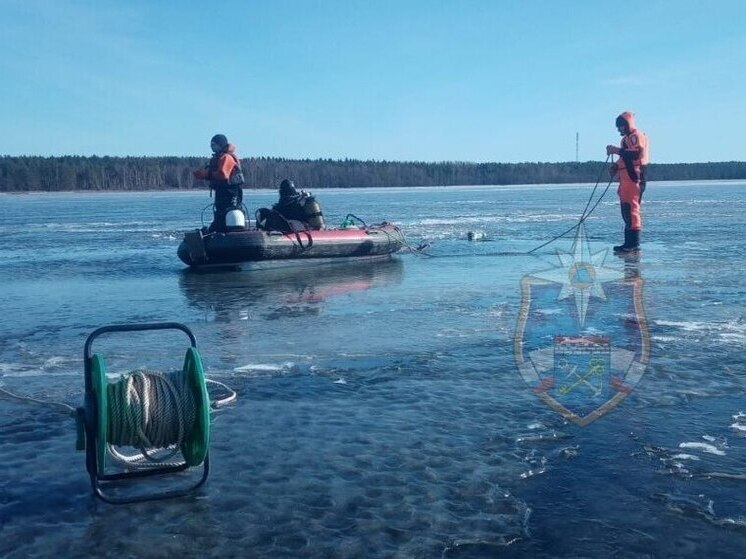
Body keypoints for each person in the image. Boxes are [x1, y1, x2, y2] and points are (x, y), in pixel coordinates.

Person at [606, 112, 649, 253]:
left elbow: (636, 154)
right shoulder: (625, 140)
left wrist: (615, 150)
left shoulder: (637, 136)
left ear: (627, 125)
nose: (619, 130)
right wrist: (616, 166)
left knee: (632, 209)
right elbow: (624, 158)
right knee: (626, 209)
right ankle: (628, 243)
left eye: (620, 127)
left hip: (634, 177)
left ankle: (633, 244)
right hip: (625, 179)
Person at [193, 134, 243, 232]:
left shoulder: (226, 157)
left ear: (221, 145)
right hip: (221, 191)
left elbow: (223, 174)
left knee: (230, 211)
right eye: (211, 145)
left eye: (215, 145)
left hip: (231, 192)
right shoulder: (217, 158)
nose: (213, 147)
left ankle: (230, 230)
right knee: (220, 212)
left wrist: (206, 174)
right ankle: (218, 228)